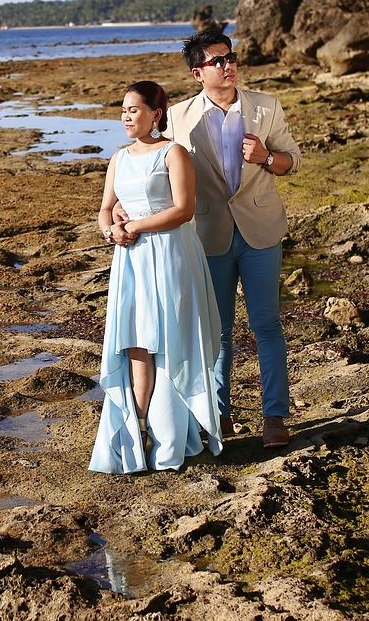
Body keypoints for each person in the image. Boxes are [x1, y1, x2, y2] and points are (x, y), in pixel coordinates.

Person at [163, 29, 301, 448]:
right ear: (197, 73)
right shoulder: (177, 117)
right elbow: (159, 170)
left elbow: (292, 162)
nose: (228, 65)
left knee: (267, 324)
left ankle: (275, 417)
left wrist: (266, 157)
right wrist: (120, 206)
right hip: (208, 235)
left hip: (261, 230)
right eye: (217, 61)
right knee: (217, 332)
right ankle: (218, 417)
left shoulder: (266, 107)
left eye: (231, 57)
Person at [89, 80, 223, 474]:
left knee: (169, 338)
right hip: (131, 257)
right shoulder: (119, 158)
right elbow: (105, 208)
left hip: (171, 254)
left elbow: (184, 209)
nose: (126, 116)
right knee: (135, 341)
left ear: (156, 114)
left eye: (133, 109)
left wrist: (137, 226)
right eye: (123, 110)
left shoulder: (173, 152)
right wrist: (111, 231)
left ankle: (173, 438)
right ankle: (139, 428)